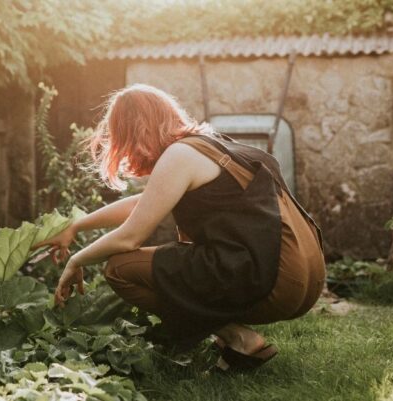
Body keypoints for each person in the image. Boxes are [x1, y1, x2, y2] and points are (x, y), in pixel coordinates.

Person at [33, 84, 325, 370]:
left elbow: (129, 238)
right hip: (305, 280)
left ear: (137, 131)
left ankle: (239, 338)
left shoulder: (179, 155)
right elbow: (144, 203)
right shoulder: (209, 147)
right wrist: (76, 226)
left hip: (275, 283)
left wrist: (76, 260)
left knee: (119, 268)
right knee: (169, 260)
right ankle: (228, 337)